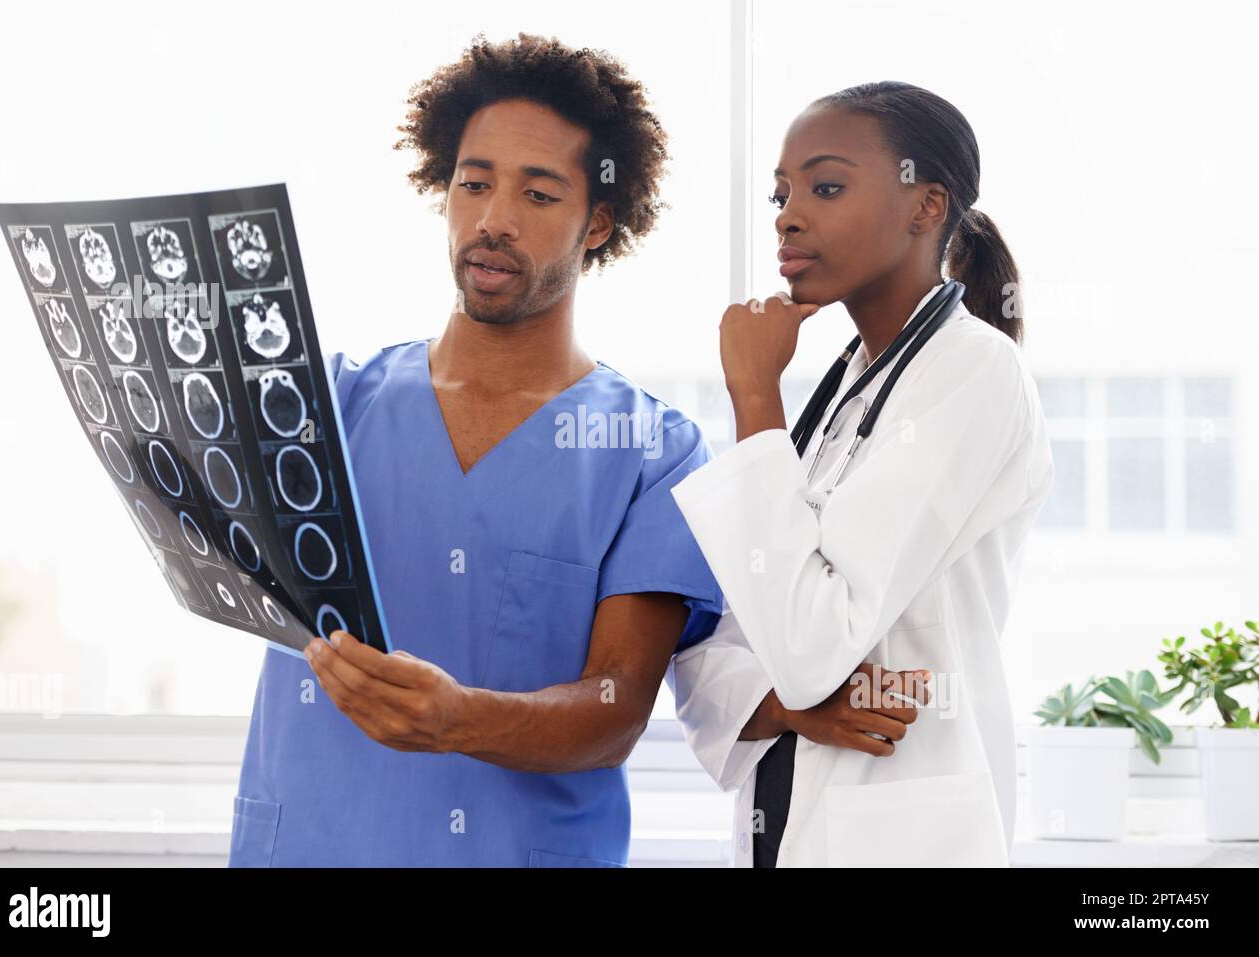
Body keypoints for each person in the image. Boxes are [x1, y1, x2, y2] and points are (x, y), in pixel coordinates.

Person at [229, 34, 723, 868]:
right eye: (474, 183)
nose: (494, 219)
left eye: (537, 193)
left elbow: (617, 705)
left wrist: (461, 719)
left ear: (597, 221)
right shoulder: (325, 407)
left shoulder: (650, 454)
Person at [667, 81, 1055, 867]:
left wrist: (752, 393)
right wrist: (787, 705)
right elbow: (712, 650)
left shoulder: (975, 370)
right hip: (782, 820)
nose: (787, 214)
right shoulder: (842, 397)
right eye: (780, 193)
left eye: (827, 185)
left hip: (904, 831)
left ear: (926, 206)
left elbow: (809, 644)